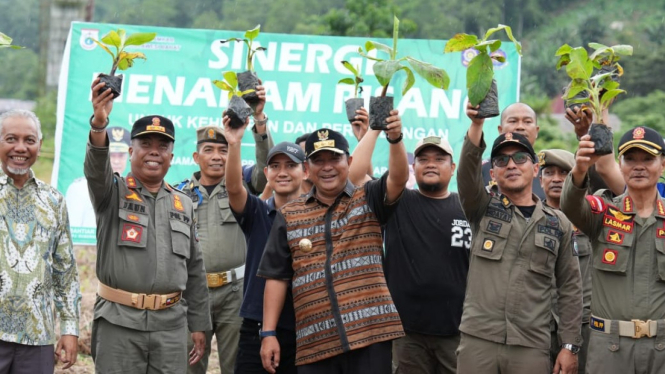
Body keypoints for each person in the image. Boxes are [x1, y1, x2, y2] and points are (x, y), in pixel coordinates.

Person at [258, 116, 409, 374]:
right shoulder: (290, 214)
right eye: (318, 160)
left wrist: (395, 139)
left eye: (334, 159)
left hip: (370, 335)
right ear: (307, 169)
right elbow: (276, 276)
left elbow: (398, 179)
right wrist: (268, 332)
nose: (327, 167)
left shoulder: (369, 197)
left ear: (348, 162)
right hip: (315, 341)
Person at [86, 78, 211, 373]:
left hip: (171, 327)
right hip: (119, 324)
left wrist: (199, 325)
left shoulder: (184, 203)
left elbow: (194, 270)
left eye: (162, 146)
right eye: (145, 144)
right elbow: (95, 168)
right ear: (131, 151)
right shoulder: (111, 192)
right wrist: (99, 124)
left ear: (171, 156)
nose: (154, 151)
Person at [455, 103, 583, 374]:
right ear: (493, 173)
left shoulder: (558, 222)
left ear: (535, 169)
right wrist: (477, 125)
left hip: (531, 345)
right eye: (501, 160)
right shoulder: (482, 208)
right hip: (479, 340)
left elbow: (571, 288)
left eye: (520, 158)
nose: (511, 165)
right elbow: (466, 174)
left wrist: (569, 345)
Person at [349, 132, 471, 374]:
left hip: (458, 331)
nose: (431, 164)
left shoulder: (469, 207)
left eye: (439, 158)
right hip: (405, 333)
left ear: (453, 166)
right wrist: (373, 130)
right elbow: (353, 176)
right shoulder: (397, 201)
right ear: (413, 167)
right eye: (423, 159)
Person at [175, 84, 272, 374]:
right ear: (196, 157)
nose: (217, 156)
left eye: (223, 149)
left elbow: (266, 165)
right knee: (188, 365)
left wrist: (259, 119)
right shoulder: (178, 195)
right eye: (209, 150)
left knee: (236, 366)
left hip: (236, 292)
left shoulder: (243, 188)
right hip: (193, 294)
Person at [561, 126, 665, 373]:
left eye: (648, 159)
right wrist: (579, 169)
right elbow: (570, 206)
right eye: (630, 159)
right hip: (610, 349)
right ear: (620, 164)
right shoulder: (605, 211)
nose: (638, 166)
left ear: (662, 164)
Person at [0, 109, 81, 372]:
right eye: (11, 139)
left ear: (40, 145)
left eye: (29, 140)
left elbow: (65, 271)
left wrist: (70, 329)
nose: (20, 148)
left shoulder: (54, 202)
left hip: (37, 339)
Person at [226, 117, 305, 374]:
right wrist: (234, 143)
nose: (282, 172)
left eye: (291, 165)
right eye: (275, 166)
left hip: (304, 326)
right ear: (267, 173)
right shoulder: (257, 212)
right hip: (257, 325)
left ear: (305, 172)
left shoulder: (317, 216)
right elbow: (234, 189)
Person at [537, 149, 592, 374]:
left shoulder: (591, 218)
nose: (557, 179)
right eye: (549, 173)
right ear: (540, 181)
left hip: (584, 327)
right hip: (540, 325)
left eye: (564, 173)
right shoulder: (529, 218)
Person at [66, 126, 130, 228]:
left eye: (121, 155)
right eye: (112, 155)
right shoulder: (79, 189)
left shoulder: (131, 189)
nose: (117, 161)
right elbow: (72, 231)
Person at [480, 102, 546, 199]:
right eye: (513, 121)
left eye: (527, 122)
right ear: (500, 130)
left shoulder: (548, 169)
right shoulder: (483, 168)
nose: (520, 127)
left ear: (536, 131)